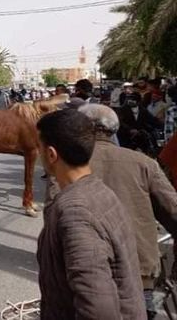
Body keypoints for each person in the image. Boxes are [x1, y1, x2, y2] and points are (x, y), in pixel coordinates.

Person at [57, 104, 177, 318]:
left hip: (84, 273)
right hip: (139, 271)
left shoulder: (66, 164)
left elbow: (54, 216)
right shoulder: (143, 163)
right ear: (114, 129)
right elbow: (173, 211)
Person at [36, 109, 145, 319]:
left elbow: (97, 308)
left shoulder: (75, 214)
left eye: (38, 147)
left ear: (51, 154)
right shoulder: (99, 192)